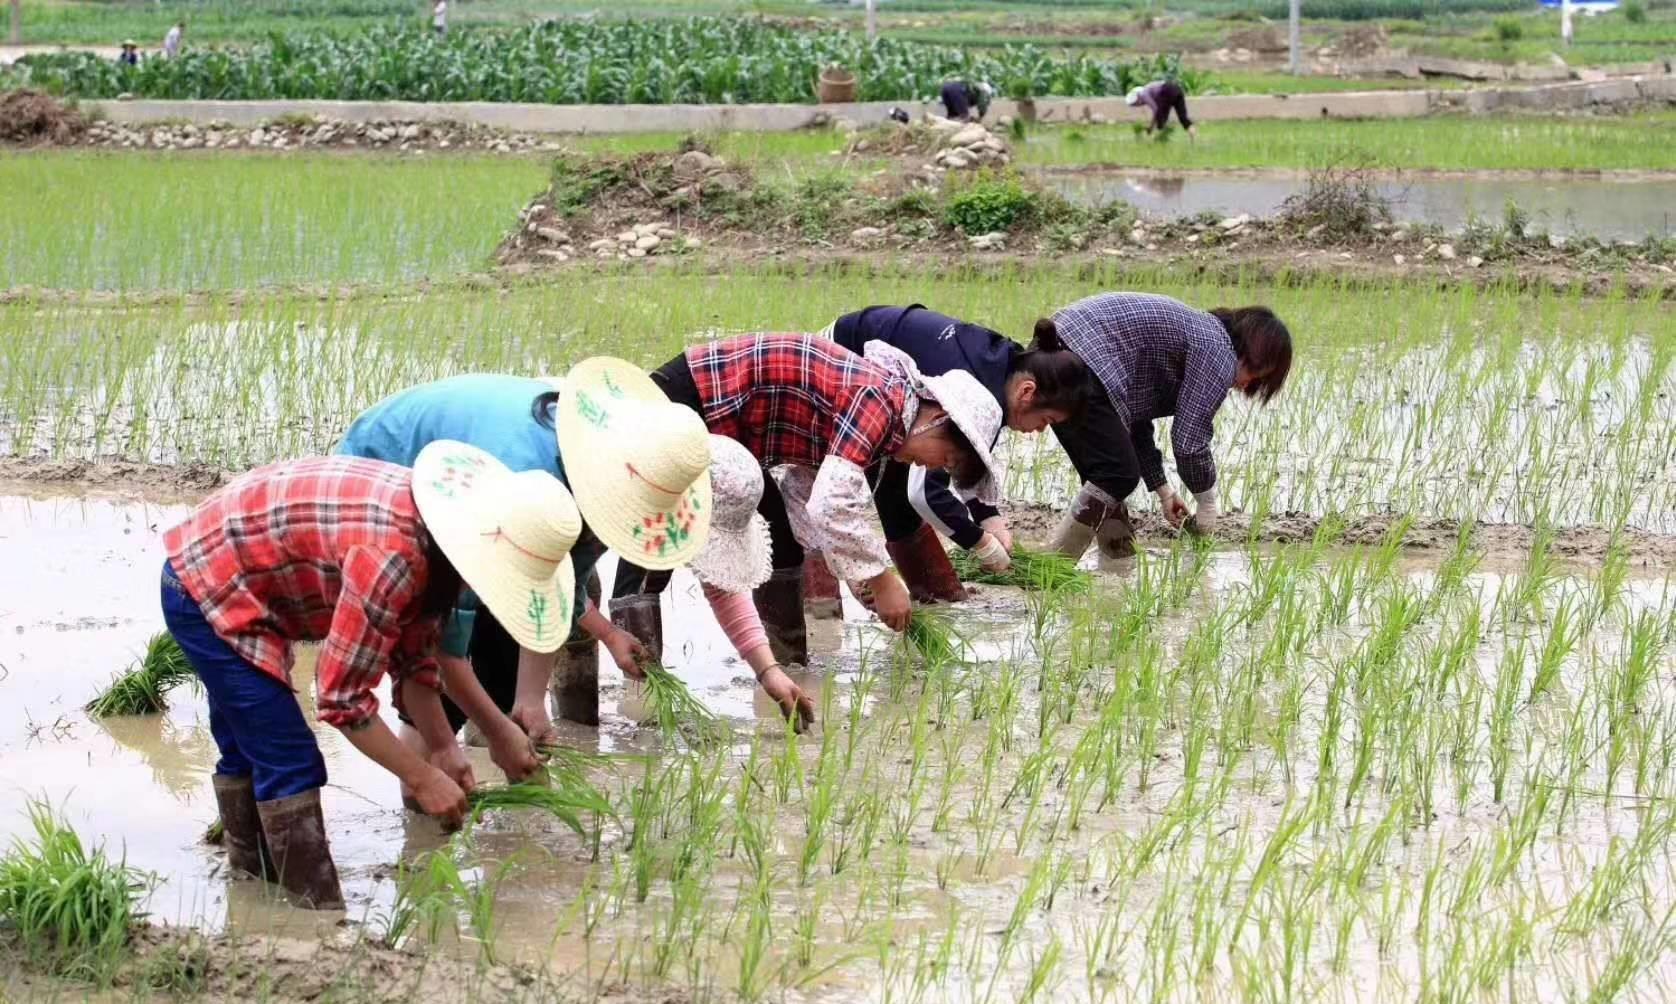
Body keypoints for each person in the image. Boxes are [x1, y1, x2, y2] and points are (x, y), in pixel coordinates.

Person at [160, 444, 579, 909]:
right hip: (207, 581)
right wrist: (421, 777)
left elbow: (415, 658)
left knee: (251, 747)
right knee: (289, 759)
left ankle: (253, 892)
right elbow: (343, 700)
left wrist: (443, 747)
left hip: (242, 565)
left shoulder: (438, 544)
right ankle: (314, 918)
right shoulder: (394, 558)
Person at [338, 373, 815, 737]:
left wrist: (539, 693)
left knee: (503, 673)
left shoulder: (628, 474)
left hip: (491, 484)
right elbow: (449, 631)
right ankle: (424, 800)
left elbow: (558, 581)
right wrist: (456, 737)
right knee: (441, 674)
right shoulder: (534, 477)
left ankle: (480, 747)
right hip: (388, 476)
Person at [609, 335, 1002, 666]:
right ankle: (641, 691)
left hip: (734, 437)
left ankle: (789, 671)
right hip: (690, 399)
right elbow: (831, 503)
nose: (931, 466)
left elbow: (805, 492)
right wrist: (882, 578)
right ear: (937, 419)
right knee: (657, 542)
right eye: (945, 458)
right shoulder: (879, 401)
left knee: (782, 545)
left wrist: (860, 575)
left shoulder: (888, 420)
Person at [820, 304, 1092, 603]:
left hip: (897, 383)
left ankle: (932, 596)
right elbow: (925, 495)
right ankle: (826, 600)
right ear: (1027, 393)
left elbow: (970, 459)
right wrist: (980, 542)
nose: (1040, 431)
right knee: (877, 484)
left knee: (894, 483)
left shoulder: (1005, 374)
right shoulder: (973, 394)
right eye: (1047, 421)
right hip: (844, 357)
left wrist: (988, 516)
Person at [1041, 293, 1293, 560]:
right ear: (1256, 357)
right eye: (1257, 378)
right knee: (1116, 473)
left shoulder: (1199, 335)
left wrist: (1163, 491)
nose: (1244, 387)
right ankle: (1054, 565)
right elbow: (1189, 441)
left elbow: (1133, 423)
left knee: (1106, 474)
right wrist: (1206, 503)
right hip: (1084, 354)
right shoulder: (1217, 350)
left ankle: (1117, 561)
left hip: (1052, 353)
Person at [1126, 79, 1195, 138]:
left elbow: (1156, 109)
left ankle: (1160, 139)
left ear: (1137, 99)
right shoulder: (1147, 90)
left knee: (1161, 119)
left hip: (1166, 90)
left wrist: (1151, 126)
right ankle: (1193, 140)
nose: (1138, 105)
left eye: (1136, 104)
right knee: (1183, 118)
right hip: (1176, 88)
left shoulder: (1144, 95)